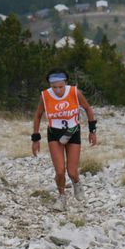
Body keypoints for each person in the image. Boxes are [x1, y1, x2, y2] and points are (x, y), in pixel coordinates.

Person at [31, 68, 97, 211]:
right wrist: (35, 138)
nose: (58, 90)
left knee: (72, 171)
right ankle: (61, 197)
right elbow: (37, 116)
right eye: (54, 87)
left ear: (66, 83)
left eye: (61, 87)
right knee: (60, 171)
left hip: (72, 132)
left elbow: (87, 108)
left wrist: (92, 131)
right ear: (50, 85)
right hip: (54, 134)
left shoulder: (74, 92)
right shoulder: (45, 96)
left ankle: (77, 182)